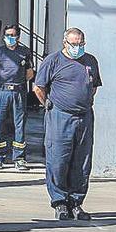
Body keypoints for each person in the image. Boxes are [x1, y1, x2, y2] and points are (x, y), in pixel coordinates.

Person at [33, 27, 102, 221]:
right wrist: (48, 104)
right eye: (74, 44)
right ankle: (60, 202)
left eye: (81, 44)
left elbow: (94, 86)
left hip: (84, 117)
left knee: (81, 162)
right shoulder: (53, 61)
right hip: (60, 116)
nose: (77, 47)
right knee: (58, 160)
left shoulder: (90, 61)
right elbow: (38, 87)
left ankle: (76, 202)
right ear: (65, 43)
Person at [0, 24, 34, 171]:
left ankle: (19, 158)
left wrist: (19, 83)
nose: (10, 38)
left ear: (18, 37)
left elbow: (29, 72)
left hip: (18, 92)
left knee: (19, 125)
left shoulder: (25, 52)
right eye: (8, 35)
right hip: (1, 92)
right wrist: (0, 84)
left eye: (13, 35)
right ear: (4, 36)